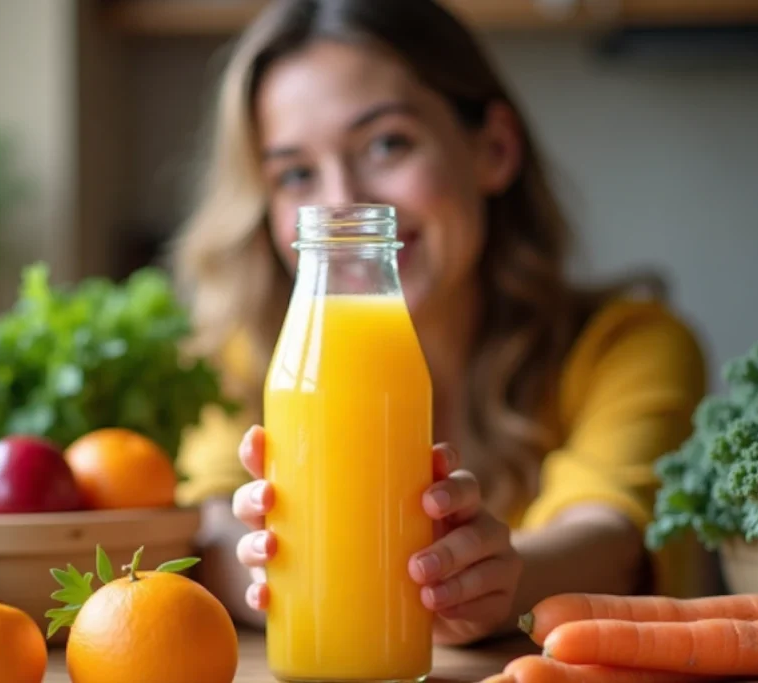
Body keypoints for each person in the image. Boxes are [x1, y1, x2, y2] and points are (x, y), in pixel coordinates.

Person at [171, 0, 709, 646]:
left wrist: (500, 579)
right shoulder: (252, 356)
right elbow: (207, 523)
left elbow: (610, 533)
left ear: (495, 149)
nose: (343, 204)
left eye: (387, 143)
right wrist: (257, 558)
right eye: (296, 173)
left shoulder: (628, 347)